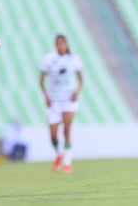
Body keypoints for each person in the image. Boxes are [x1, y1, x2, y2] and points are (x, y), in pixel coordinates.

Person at [40, 34, 83, 173]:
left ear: (67, 44)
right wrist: (45, 95)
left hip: (69, 100)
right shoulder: (49, 59)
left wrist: (77, 91)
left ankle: (67, 163)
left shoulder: (73, 59)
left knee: (67, 130)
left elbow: (81, 79)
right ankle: (59, 153)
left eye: (63, 43)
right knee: (53, 134)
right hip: (54, 101)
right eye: (58, 43)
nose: (61, 46)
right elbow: (41, 80)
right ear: (56, 45)